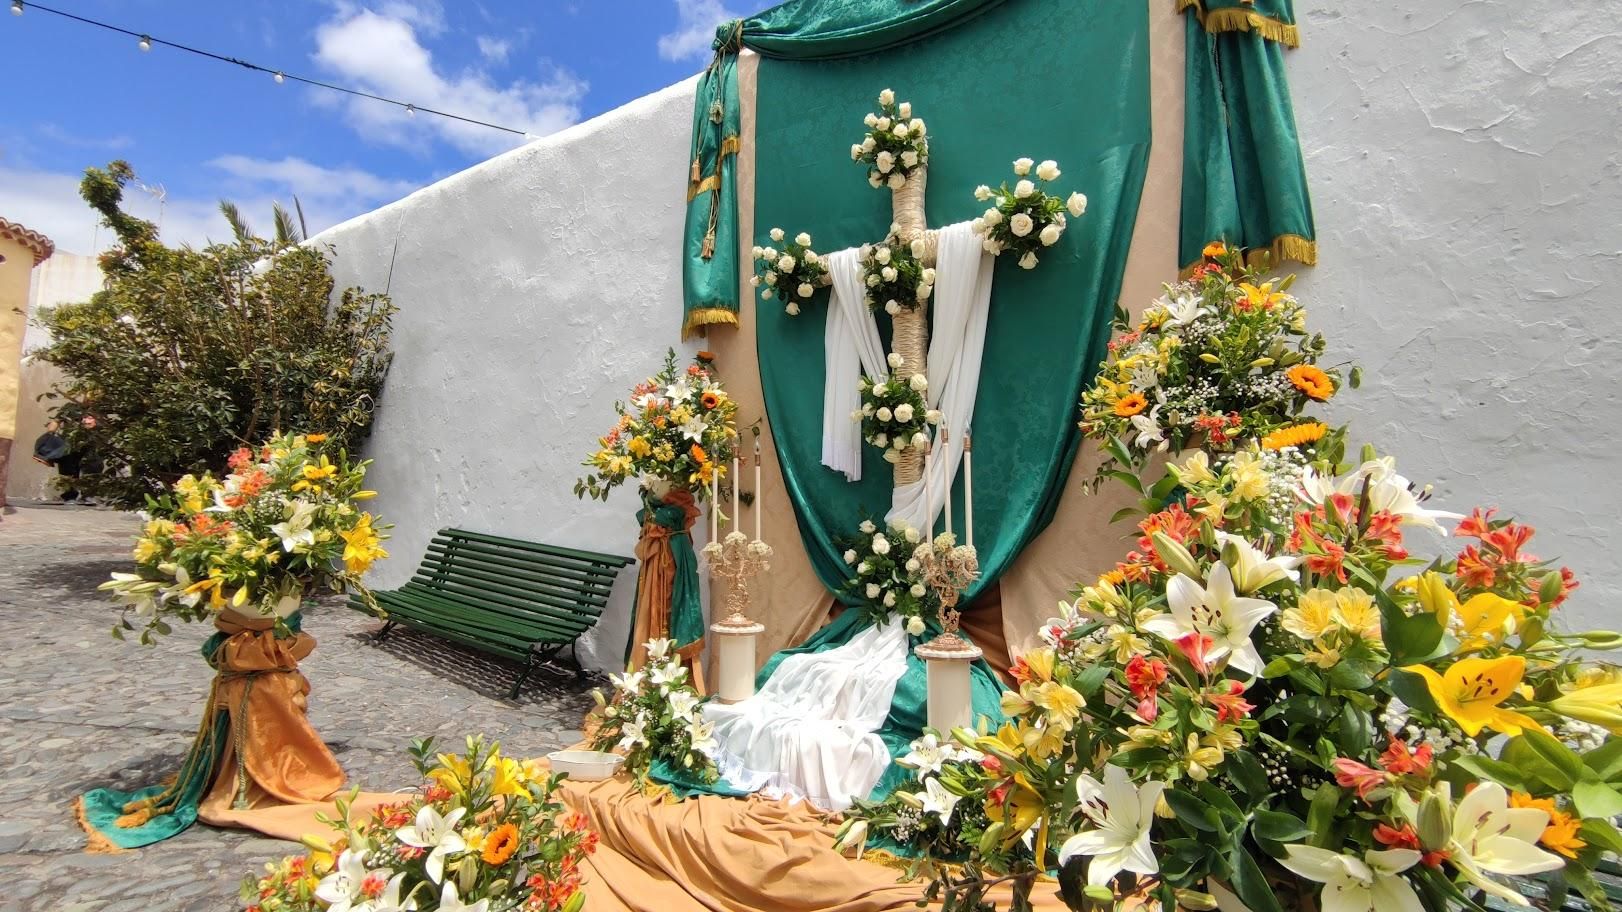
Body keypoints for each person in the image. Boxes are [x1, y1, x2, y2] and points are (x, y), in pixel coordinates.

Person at [32, 419, 89, 504]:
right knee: (67, 459)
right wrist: (53, 427)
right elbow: (59, 420)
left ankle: (89, 494)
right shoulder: (70, 414)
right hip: (70, 439)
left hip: (92, 437)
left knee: (91, 462)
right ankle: (70, 494)